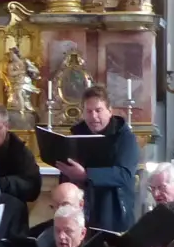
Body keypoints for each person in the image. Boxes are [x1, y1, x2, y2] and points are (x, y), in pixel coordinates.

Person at [55, 85, 139, 232]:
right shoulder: (76, 135)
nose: (93, 116)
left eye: (98, 110)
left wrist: (86, 174)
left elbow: (124, 174)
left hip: (113, 208)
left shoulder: (125, 137)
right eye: (89, 111)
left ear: (110, 111)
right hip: (80, 207)